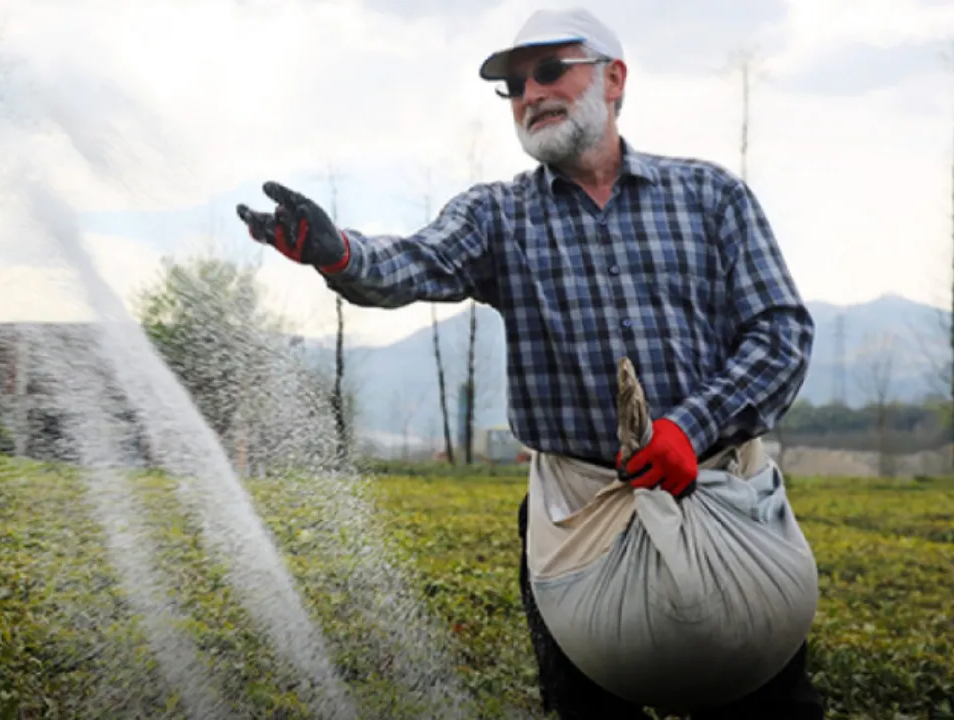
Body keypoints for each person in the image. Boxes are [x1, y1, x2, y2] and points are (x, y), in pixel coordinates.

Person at [236, 6, 823, 719]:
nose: (530, 94)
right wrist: (340, 254)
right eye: (513, 85)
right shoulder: (498, 216)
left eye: (549, 71)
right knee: (588, 708)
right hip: (578, 516)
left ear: (615, 78)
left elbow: (780, 332)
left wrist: (689, 429)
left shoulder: (710, 196)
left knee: (764, 700)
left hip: (720, 490)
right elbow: (416, 262)